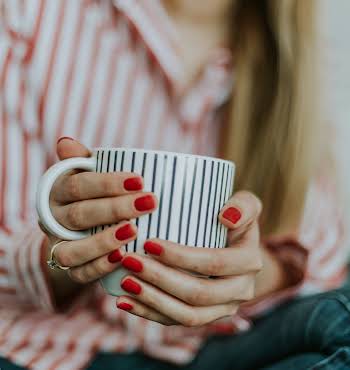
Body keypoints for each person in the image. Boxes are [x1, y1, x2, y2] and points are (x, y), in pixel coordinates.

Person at [0, 1, 348, 369]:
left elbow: (325, 253)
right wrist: (63, 253)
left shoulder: (289, 57)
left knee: (341, 321)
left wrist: (250, 273)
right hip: (50, 350)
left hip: (212, 348)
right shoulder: (34, 15)